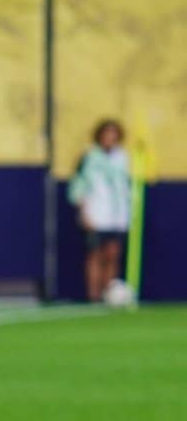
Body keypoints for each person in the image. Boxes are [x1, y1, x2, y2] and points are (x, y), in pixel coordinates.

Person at [69, 118, 132, 303]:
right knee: (95, 254)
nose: (109, 137)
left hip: (118, 216)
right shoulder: (89, 157)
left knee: (113, 254)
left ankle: (109, 293)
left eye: (113, 134)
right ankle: (93, 295)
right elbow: (78, 186)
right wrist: (83, 212)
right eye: (106, 134)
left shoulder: (124, 158)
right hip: (97, 214)